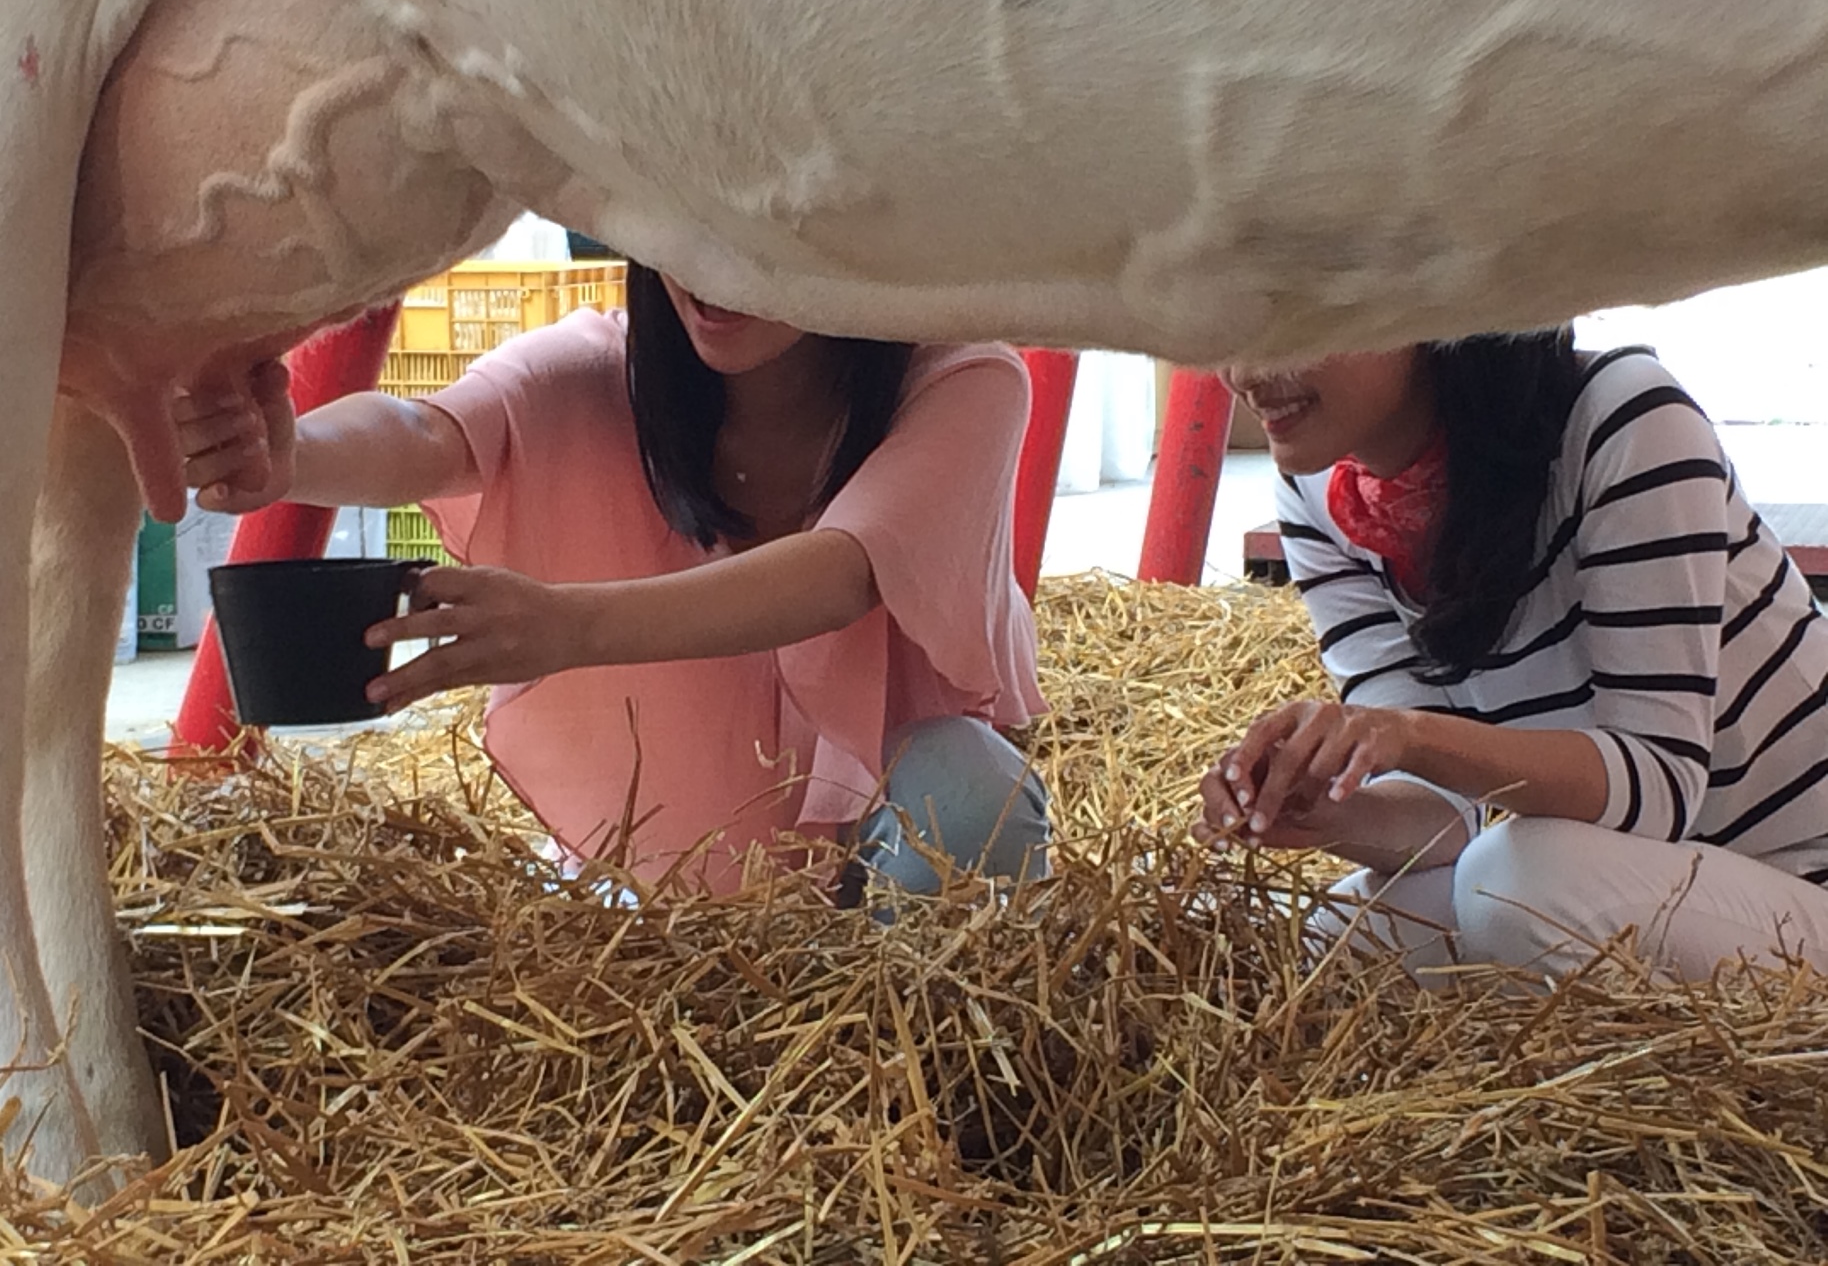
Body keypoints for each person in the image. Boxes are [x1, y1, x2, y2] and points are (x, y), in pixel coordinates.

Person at [177, 265, 1050, 898]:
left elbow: (843, 571)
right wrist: (286, 455)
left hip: (894, 877)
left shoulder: (964, 378)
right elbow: (428, 431)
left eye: (754, 230)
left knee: (974, 795)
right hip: (668, 907)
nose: (712, 267)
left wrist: (568, 626)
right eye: (678, 223)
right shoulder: (599, 366)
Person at [1199, 327, 1828, 982]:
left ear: (1423, 303)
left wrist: (1408, 734)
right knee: (1335, 943)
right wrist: (1323, 810)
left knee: (1515, 883)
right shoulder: (1317, 495)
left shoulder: (1623, 417)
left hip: (1798, 866)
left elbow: (1659, 782)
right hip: (1636, 871)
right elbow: (1444, 824)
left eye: (1292, 317)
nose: (1243, 370)